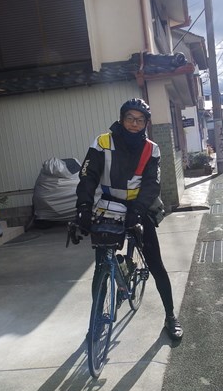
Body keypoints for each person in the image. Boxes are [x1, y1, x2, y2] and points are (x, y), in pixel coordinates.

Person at [74, 98, 183, 340]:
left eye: (140, 120)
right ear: (122, 119)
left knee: (156, 265)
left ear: (146, 123)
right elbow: (88, 176)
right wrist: (83, 206)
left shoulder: (151, 148)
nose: (134, 124)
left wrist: (138, 211)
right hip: (108, 206)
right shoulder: (103, 142)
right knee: (101, 267)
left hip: (138, 207)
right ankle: (97, 320)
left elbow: (152, 184)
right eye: (130, 119)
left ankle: (170, 316)